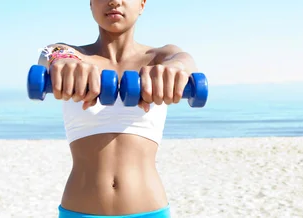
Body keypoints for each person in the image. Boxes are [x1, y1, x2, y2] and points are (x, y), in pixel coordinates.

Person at [36, 0, 200, 217]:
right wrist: (63, 62)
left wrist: (174, 70)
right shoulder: (75, 57)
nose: (114, 1)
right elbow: (52, 52)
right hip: (80, 211)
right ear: (91, 4)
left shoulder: (160, 58)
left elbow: (183, 60)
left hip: (148, 210)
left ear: (142, 4)